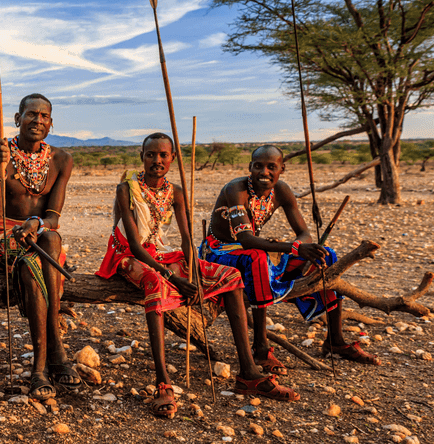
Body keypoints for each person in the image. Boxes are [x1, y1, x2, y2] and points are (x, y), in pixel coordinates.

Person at [97, 134, 298, 417]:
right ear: (142, 157)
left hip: (160, 251)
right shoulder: (126, 189)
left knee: (231, 276)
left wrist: (192, 273)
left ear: (173, 158)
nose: (157, 161)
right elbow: (134, 244)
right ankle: (163, 383)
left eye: (163, 155)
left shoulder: (176, 191)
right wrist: (174, 278)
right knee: (156, 282)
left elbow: (185, 240)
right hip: (128, 254)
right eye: (151, 155)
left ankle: (249, 372)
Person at [201, 145, 380, 376]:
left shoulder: (282, 191)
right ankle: (261, 347)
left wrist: (302, 248)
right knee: (257, 259)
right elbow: (245, 240)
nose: (264, 172)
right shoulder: (236, 189)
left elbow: (304, 233)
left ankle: (335, 340)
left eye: (271, 167)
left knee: (327, 255)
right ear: (250, 167)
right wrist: (294, 248)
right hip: (219, 251)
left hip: (254, 248)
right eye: (258, 166)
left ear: (282, 169)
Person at [0, 93, 79, 399]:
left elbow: (53, 218)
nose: (38, 120)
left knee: (50, 239)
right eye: (31, 114)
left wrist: (36, 224)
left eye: (44, 116)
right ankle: (50, 358)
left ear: (51, 123)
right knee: (29, 263)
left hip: (41, 237)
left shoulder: (61, 159)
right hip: (5, 236)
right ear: (17, 118)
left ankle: (43, 363)